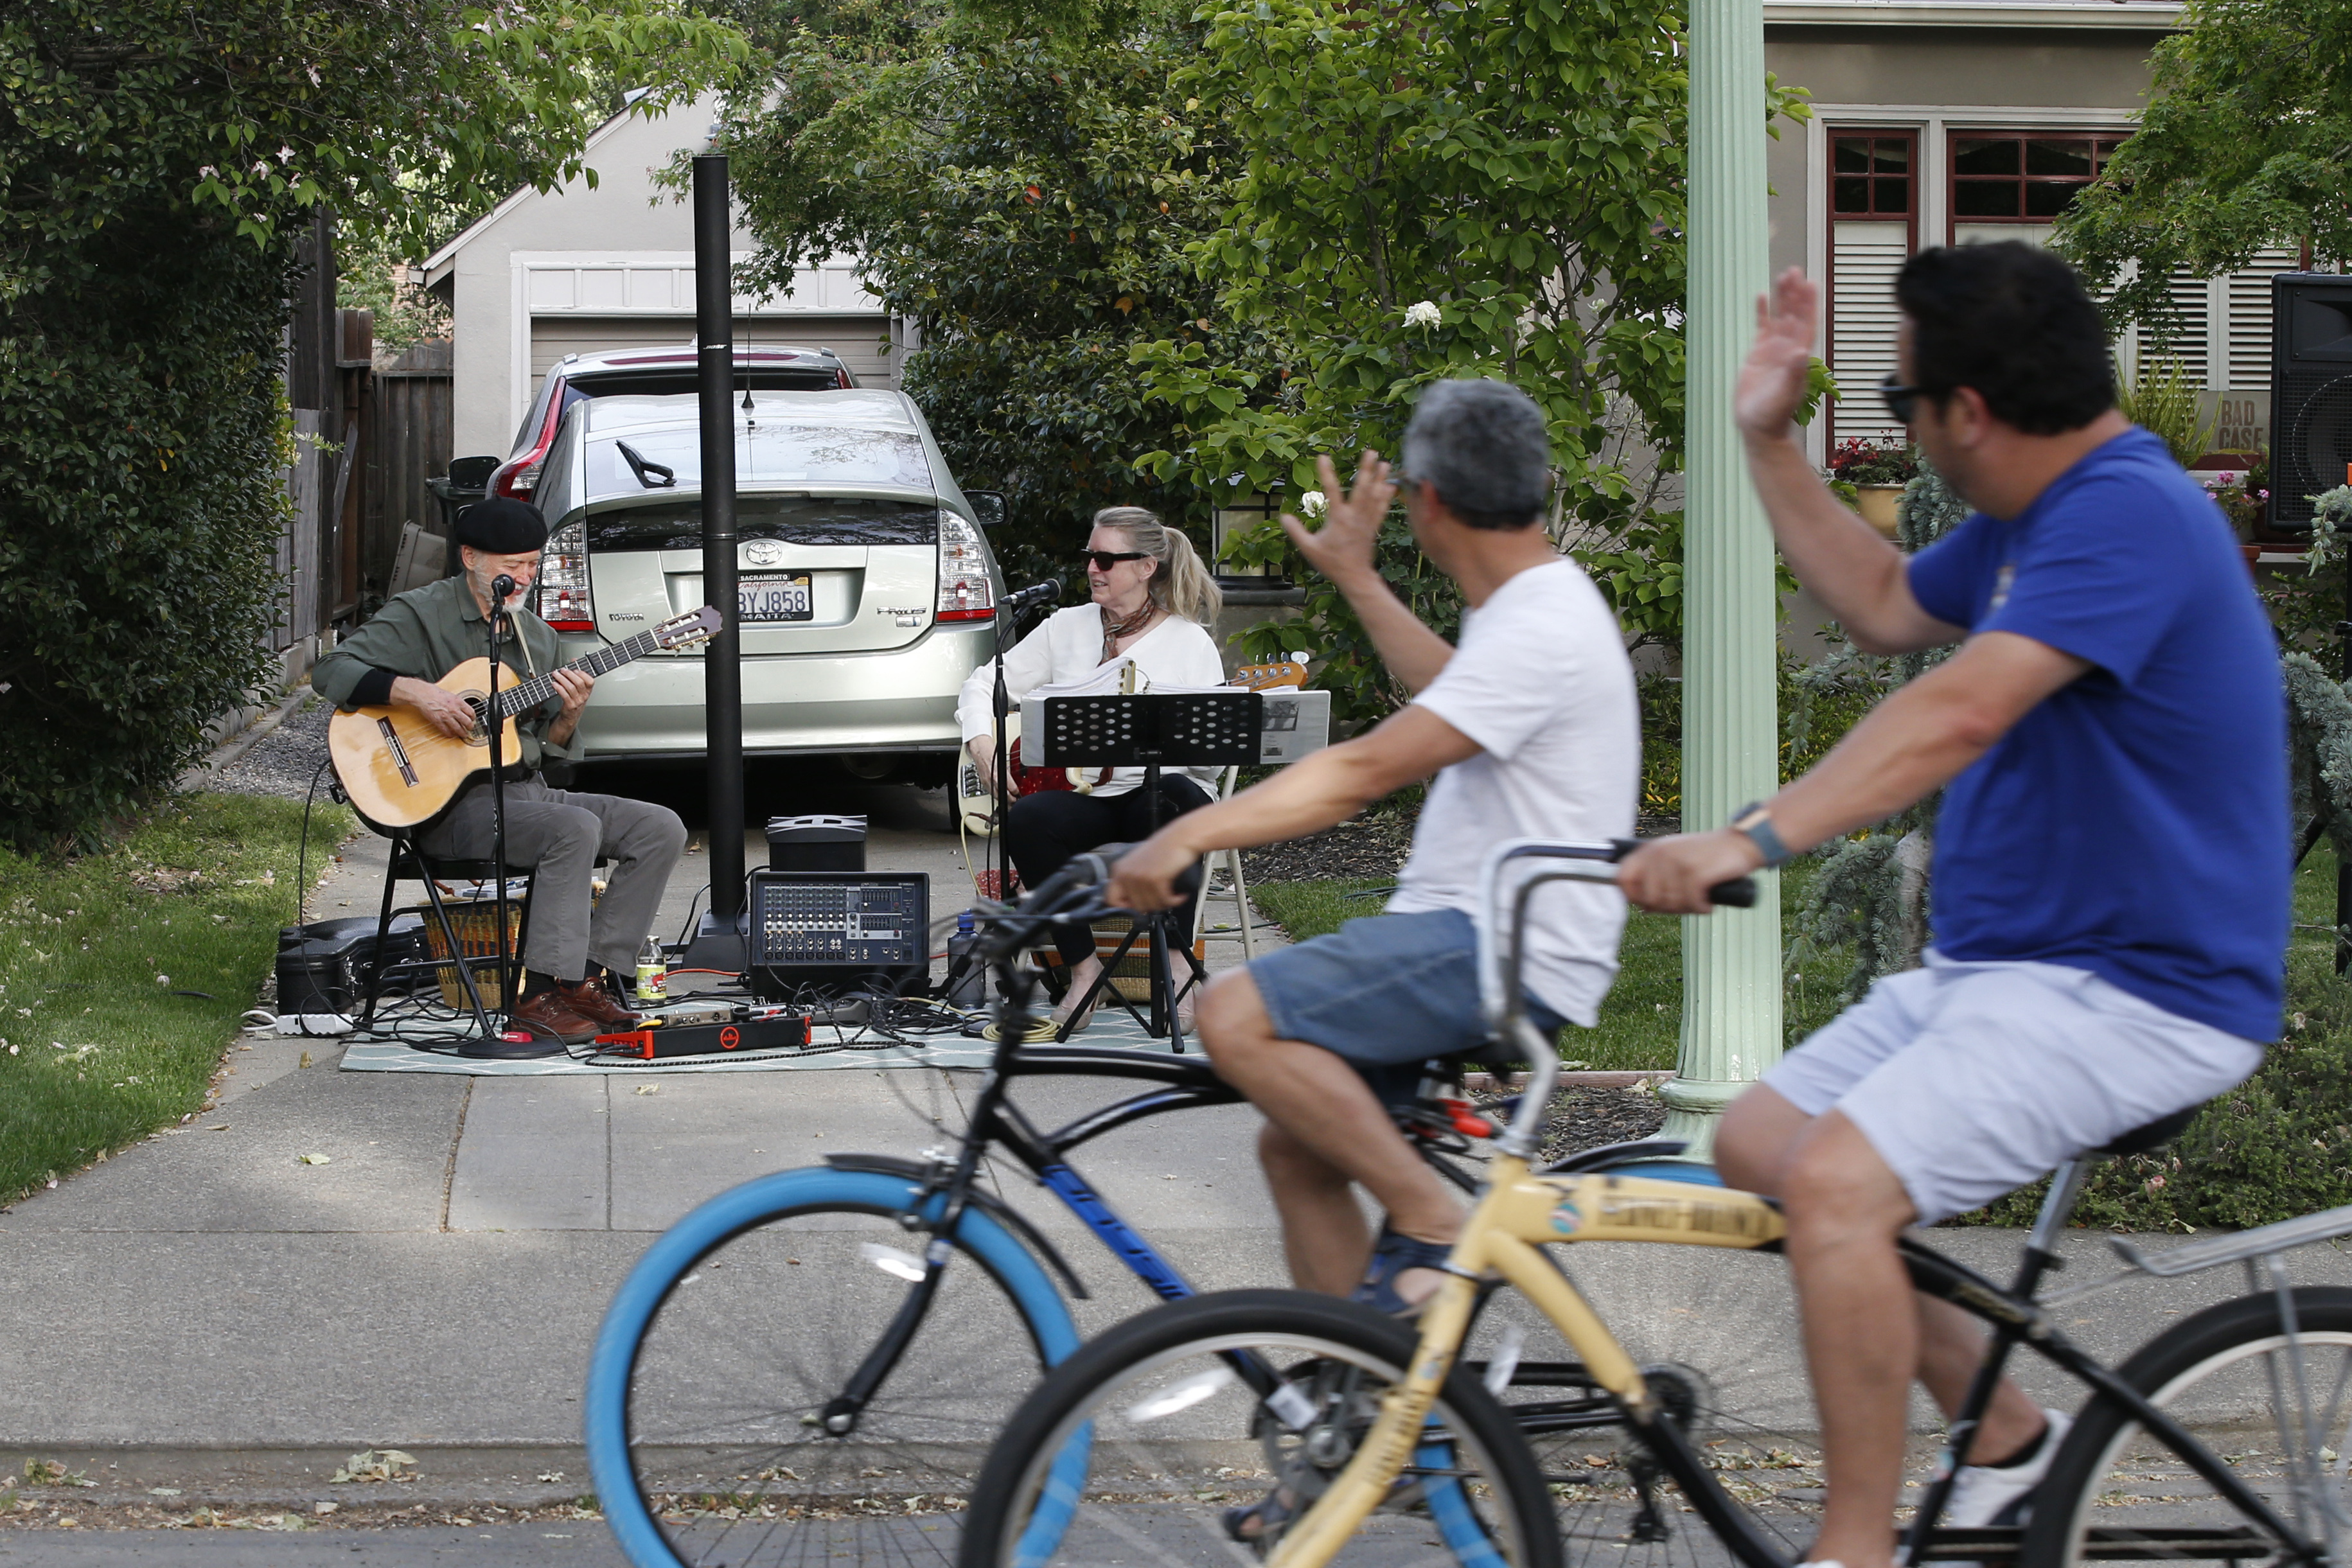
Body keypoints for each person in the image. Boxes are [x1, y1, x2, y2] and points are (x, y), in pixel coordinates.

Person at [1619, 242, 2286, 1568]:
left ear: (1965, 412)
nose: (1896, 416)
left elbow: (1960, 705)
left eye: (1898, 390)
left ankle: (1856, 1547)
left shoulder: (2129, 514)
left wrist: (1753, 834)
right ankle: (2011, 1442)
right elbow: (1876, 603)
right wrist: (1767, 437)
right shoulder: (2035, 521)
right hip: (2011, 974)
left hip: (2143, 986)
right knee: (1762, 1144)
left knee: (1845, 1188)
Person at [1108, 378, 1640, 1319]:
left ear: (1429, 503)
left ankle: (1431, 1218)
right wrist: (1357, 577)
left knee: (1233, 1013)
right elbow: (1451, 689)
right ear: (1539, 485)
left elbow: (1362, 771)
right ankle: (1361, 1403)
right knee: (1297, 1151)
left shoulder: (1541, 624)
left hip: (1496, 948)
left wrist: (1188, 828)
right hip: (1481, 937)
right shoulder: (1533, 606)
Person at [312, 498, 688, 1056]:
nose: (527, 578)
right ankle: (537, 998)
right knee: (573, 828)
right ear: (470, 558)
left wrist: (568, 714)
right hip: (446, 806)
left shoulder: (538, 639)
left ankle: (588, 979)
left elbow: (550, 756)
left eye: (535, 566)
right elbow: (331, 670)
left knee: (661, 827)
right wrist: (419, 693)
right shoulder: (421, 615)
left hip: (526, 794)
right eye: (515, 565)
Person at [957, 507, 1226, 1039]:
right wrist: (984, 747)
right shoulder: (1065, 628)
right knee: (1030, 818)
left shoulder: (1188, 642)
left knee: (1176, 796)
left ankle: (1175, 966)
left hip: (1154, 795)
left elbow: (1209, 762)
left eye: (1106, 558)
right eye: (1090, 557)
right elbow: (984, 683)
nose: (1093, 569)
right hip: (1085, 797)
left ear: (1147, 566)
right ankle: (1086, 971)